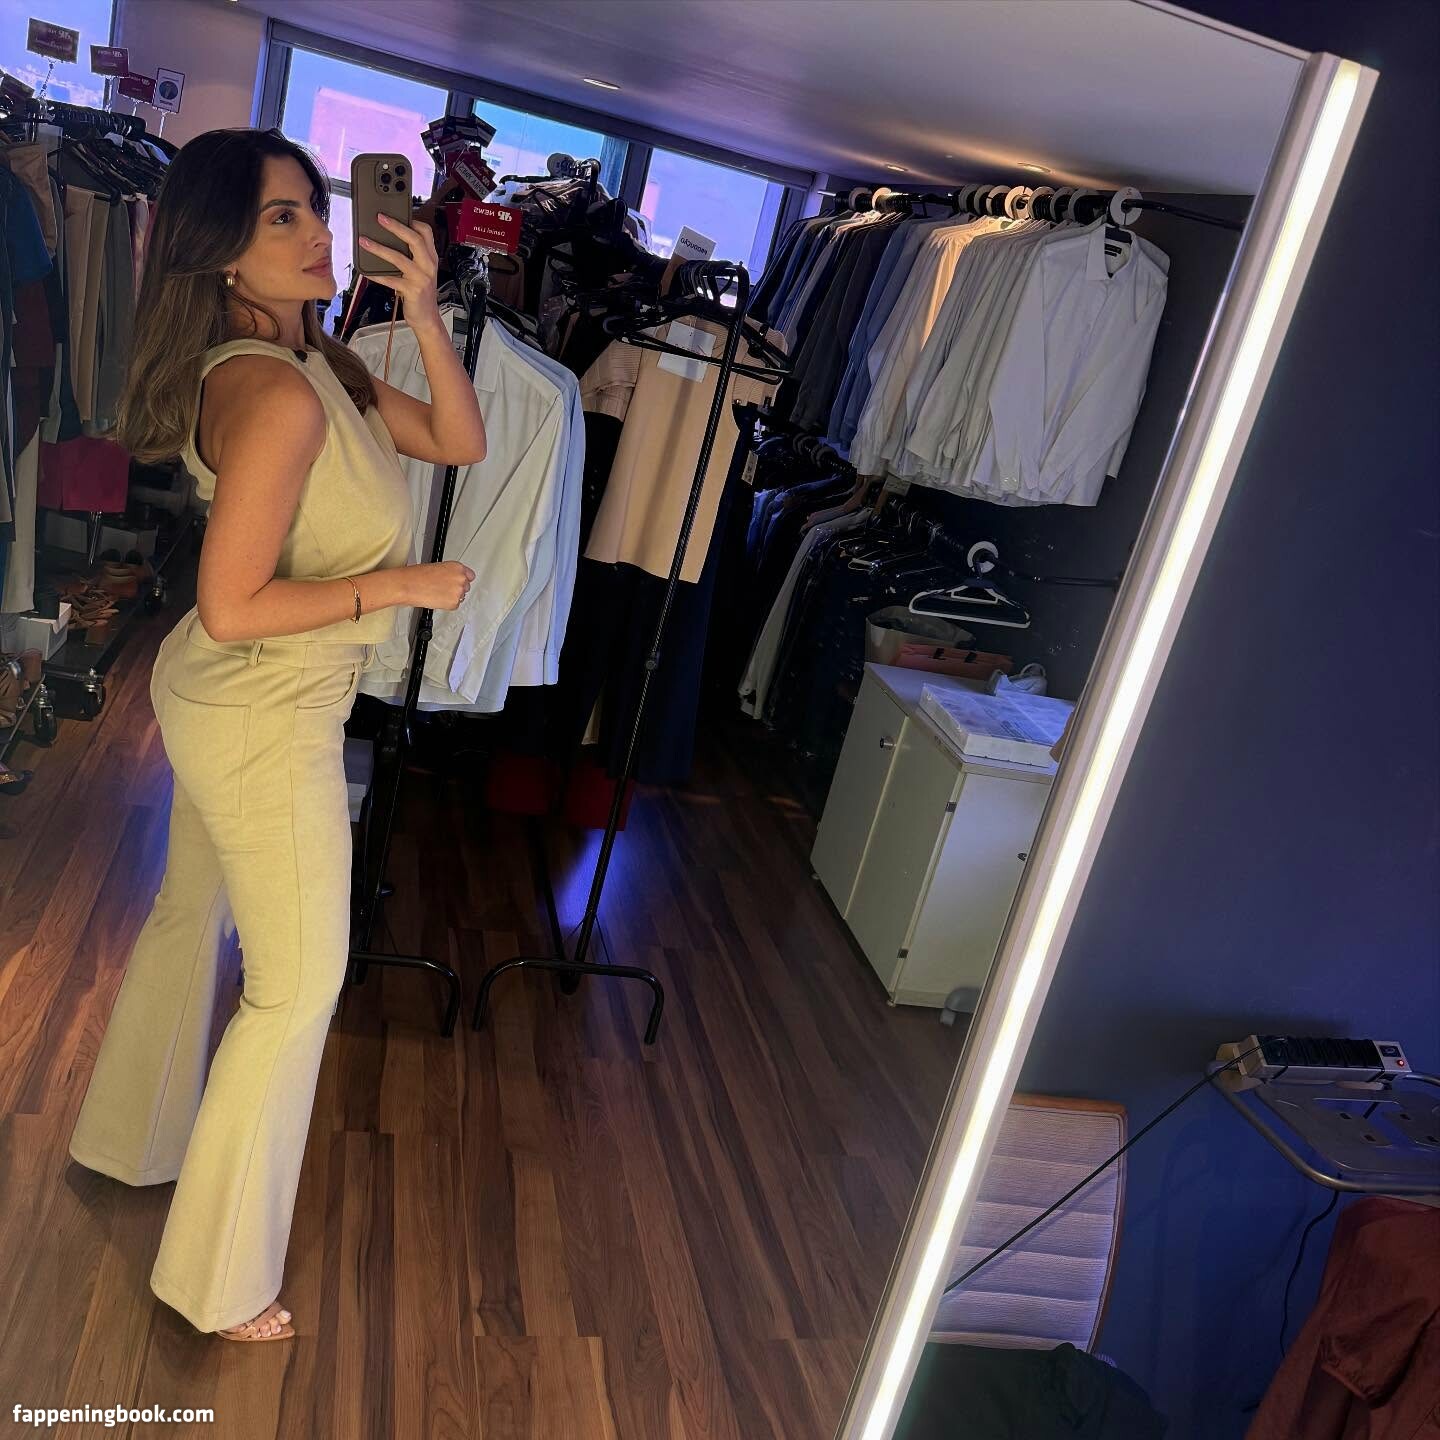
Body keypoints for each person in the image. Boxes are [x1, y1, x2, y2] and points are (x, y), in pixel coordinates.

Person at [65, 128, 486, 1342]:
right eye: (279, 219)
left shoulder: (327, 366)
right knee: (298, 987)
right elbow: (234, 603)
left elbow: (459, 442)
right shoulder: (274, 392)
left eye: (314, 206)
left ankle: (127, 1143)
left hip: (239, 698)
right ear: (220, 254)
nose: (314, 234)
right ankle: (217, 1281)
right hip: (263, 705)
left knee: (191, 914)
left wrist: (425, 314)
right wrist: (399, 588)